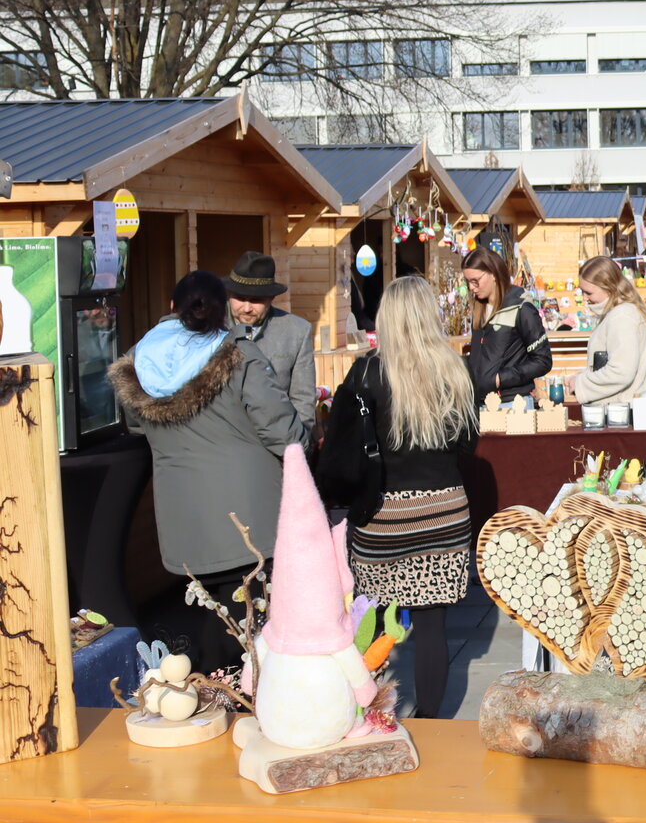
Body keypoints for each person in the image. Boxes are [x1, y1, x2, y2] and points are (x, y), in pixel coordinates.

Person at [109, 271, 306, 671]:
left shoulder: (140, 361)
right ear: (223, 311)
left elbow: (137, 424)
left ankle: (215, 694)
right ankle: (242, 698)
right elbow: (282, 432)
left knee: (212, 618)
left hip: (183, 517)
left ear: (171, 307)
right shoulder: (239, 356)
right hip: (248, 517)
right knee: (252, 629)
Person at [323, 275, 478, 719]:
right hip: (444, 512)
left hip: (383, 516)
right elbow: (468, 445)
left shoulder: (365, 373)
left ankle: (368, 715)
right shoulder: (456, 370)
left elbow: (340, 449)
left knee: (371, 624)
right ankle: (431, 722)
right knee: (432, 627)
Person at [224, 251, 316, 428]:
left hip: (276, 435)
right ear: (229, 294)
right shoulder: (210, 327)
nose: (247, 308)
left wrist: (298, 440)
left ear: (271, 298)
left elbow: (303, 399)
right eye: (240, 298)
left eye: (256, 300)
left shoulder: (297, 331)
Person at [463, 247, 552, 403]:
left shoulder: (521, 308)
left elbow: (542, 361)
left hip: (513, 403)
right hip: (480, 403)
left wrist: (500, 379)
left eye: (475, 281)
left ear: (493, 274)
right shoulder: (479, 310)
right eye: (468, 281)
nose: (471, 287)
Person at [567, 255, 646, 405]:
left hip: (619, 410)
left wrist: (581, 382)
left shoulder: (622, 316)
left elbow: (621, 371)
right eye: (583, 292)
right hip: (618, 407)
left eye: (589, 293)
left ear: (608, 288)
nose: (585, 298)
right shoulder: (618, 313)